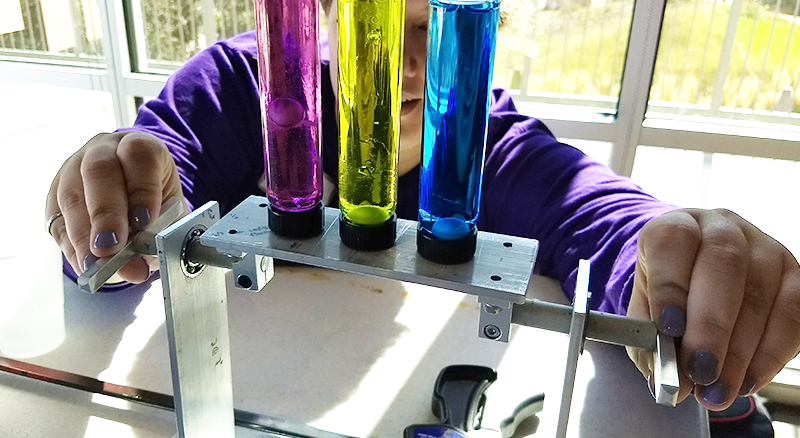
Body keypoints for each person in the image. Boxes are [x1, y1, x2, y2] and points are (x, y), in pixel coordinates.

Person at [45, 0, 799, 419]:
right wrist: (118, 192)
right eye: (365, 24)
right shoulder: (244, 86)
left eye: (428, 30)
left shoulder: (493, 149)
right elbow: (153, 164)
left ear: (480, 35)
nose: (399, 69)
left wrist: (675, 266)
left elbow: (604, 219)